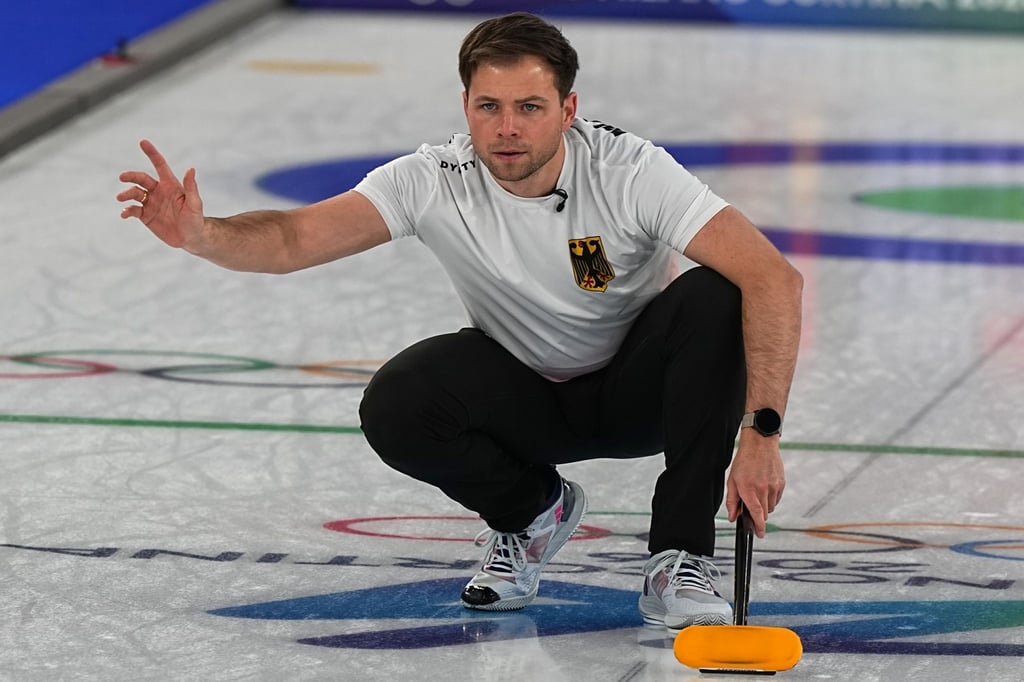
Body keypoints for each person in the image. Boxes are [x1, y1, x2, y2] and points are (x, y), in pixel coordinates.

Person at [117, 12, 802, 632]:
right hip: (526, 401)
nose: (508, 128)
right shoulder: (433, 178)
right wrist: (202, 234)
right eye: (490, 107)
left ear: (568, 110)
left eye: (530, 107)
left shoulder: (630, 170)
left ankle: (679, 556)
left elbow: (775, 278)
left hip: (645, 396)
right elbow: (295, 238)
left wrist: (761, 432)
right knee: (400, 400)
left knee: (718, 293)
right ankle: (533, 514)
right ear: (467, 109)